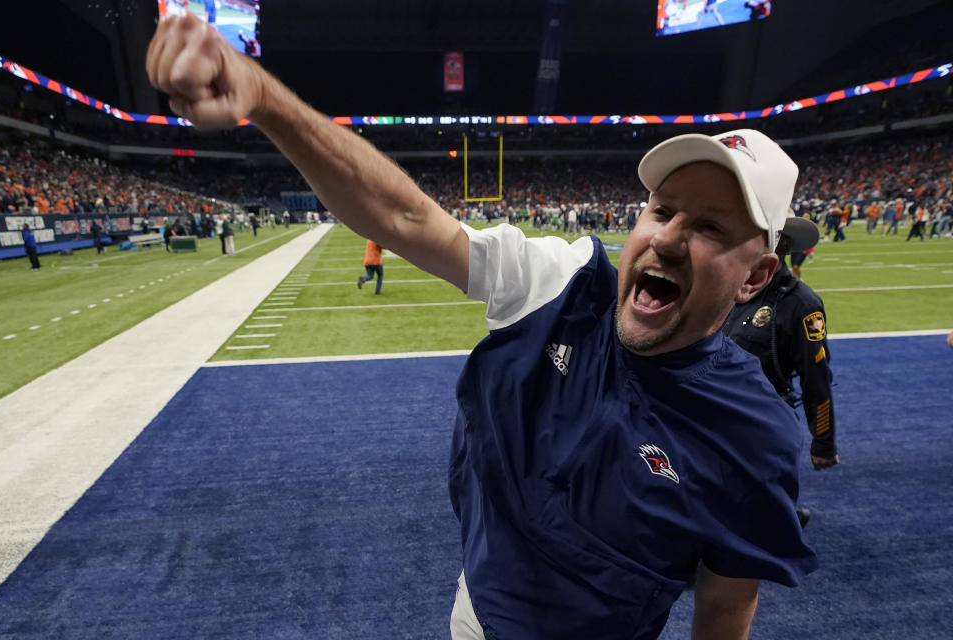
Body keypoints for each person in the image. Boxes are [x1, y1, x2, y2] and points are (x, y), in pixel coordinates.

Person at [148, 15, 817, 638]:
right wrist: (263, 97)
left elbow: (727, 597)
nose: (668, 238)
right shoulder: (563, 286)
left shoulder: (754, 434)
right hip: (479, 618)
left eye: (707, 227)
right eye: (662, 210)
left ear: (756, 276)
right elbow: (407, 218)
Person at [722, 213, 840, 527]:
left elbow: (816, 378)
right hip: (714, 412)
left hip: (761, 420)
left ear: (781, 246)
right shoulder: (726, 284)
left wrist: (823, 440)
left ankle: (779, 515)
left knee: (746, 521)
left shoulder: (801, 304)